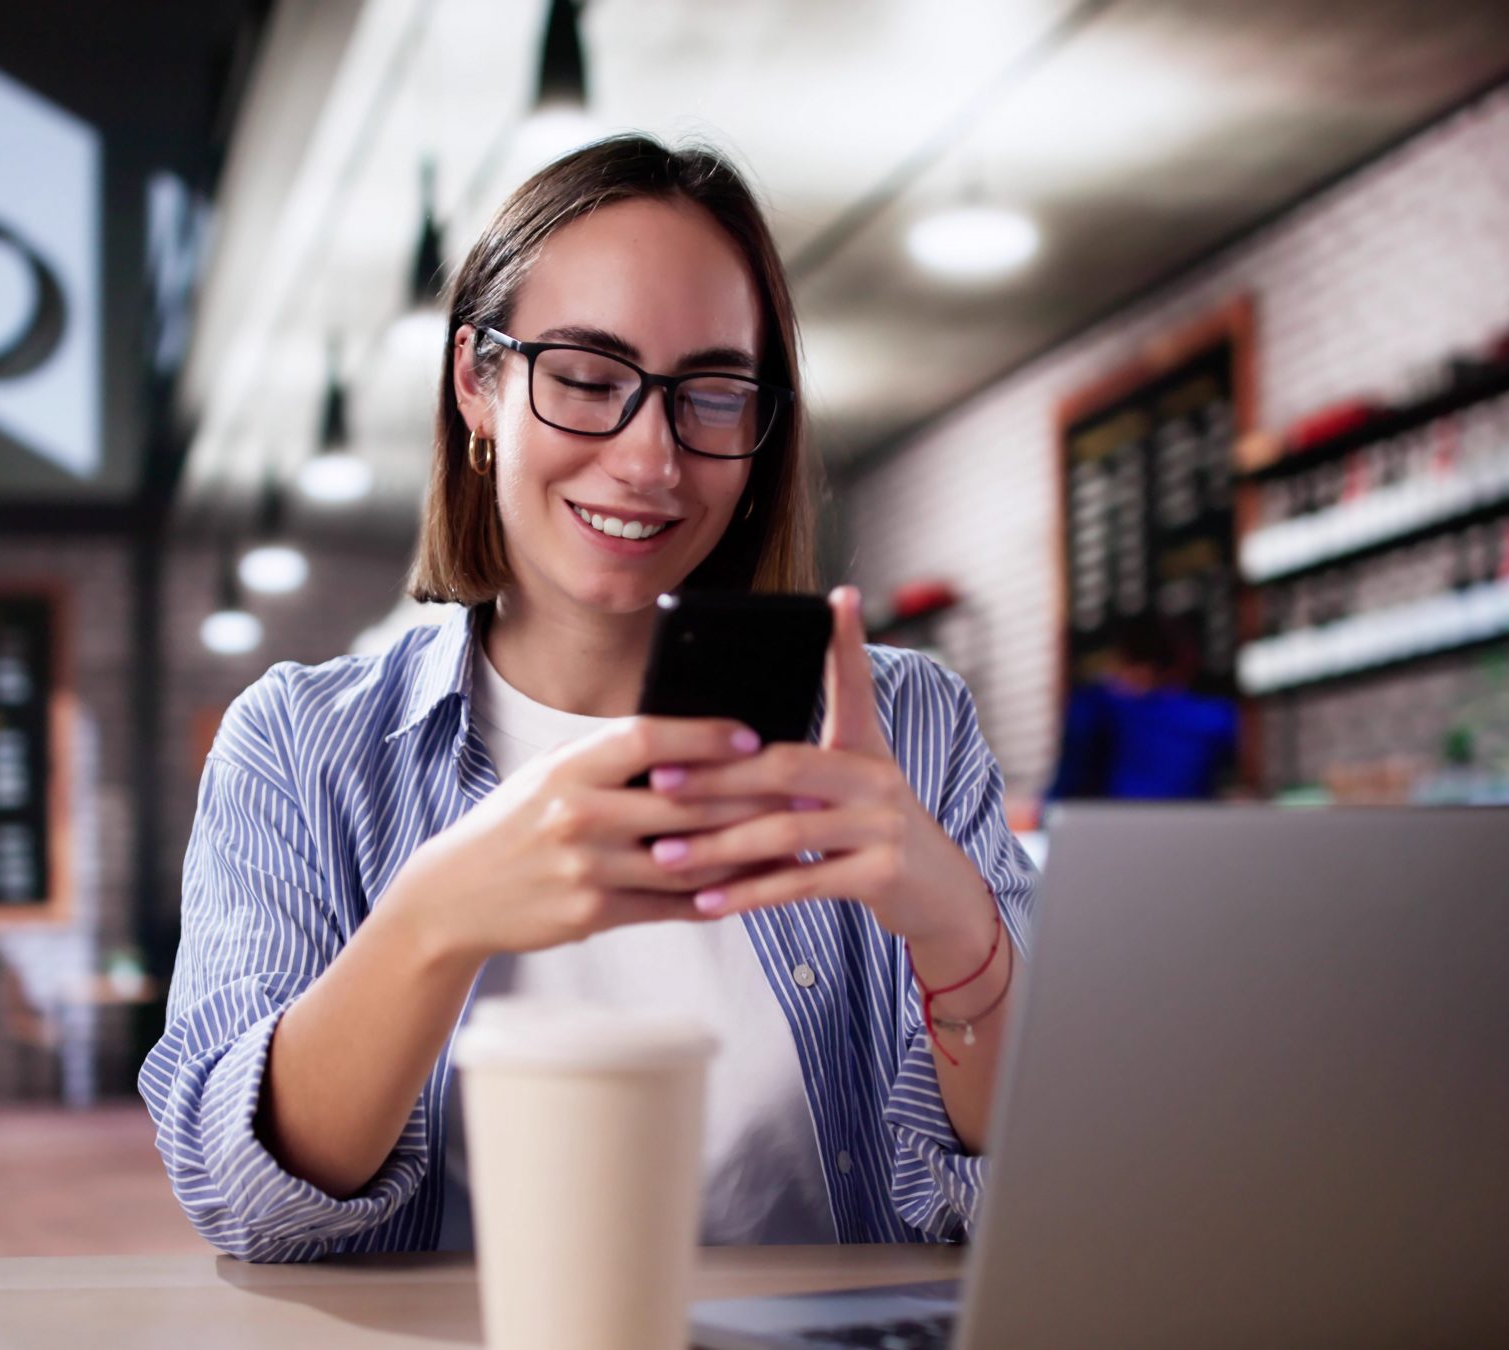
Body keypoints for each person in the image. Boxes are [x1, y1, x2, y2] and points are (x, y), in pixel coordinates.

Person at [140, 137, 1036, 1263]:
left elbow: (1033, 1192)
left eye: (711, 394)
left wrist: (960, 933)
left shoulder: (906, 726)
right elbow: (247, 1202)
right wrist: (434, 919)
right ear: (478, 383)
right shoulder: (302, 746)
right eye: (584, 380)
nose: (649, 457)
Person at [1045, 614, 1241, 801]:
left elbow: (1064, 789)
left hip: (1111, 828)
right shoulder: (1218, 718)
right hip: (1194, 829)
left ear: (1124, 661)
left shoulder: (1096, 709)